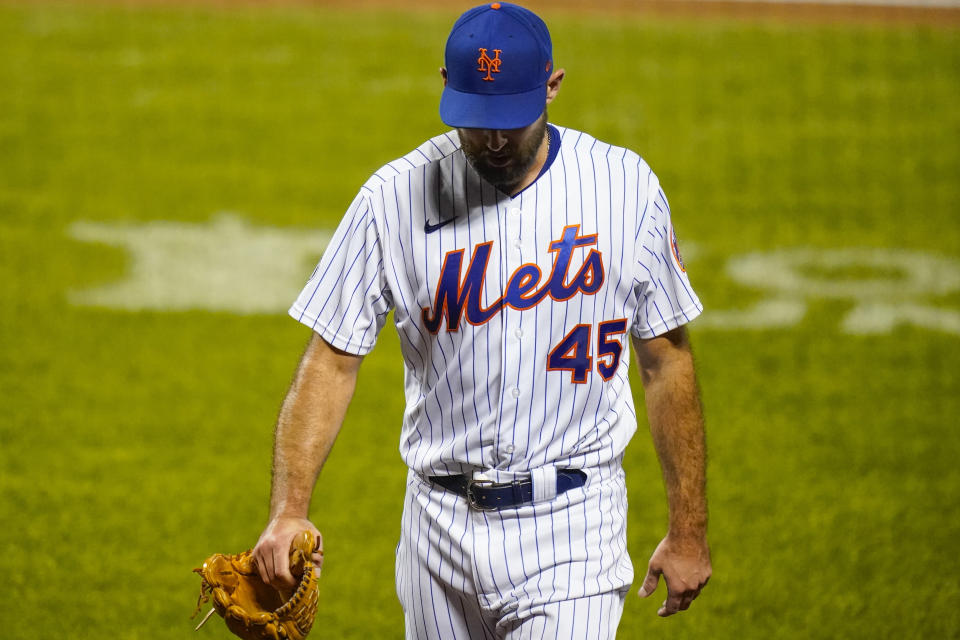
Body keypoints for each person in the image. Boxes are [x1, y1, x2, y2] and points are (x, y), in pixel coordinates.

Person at [252, 2, 711, 637]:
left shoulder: (625, 189)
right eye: (477, 121)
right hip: (435, 532)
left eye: (511, 121)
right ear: (445, 85)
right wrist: (288, 511)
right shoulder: (392, 198)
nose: (494, 140)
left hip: (572, 528)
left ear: (553, 85)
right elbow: (331, 358)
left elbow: (667, 360)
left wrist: (688, 531)